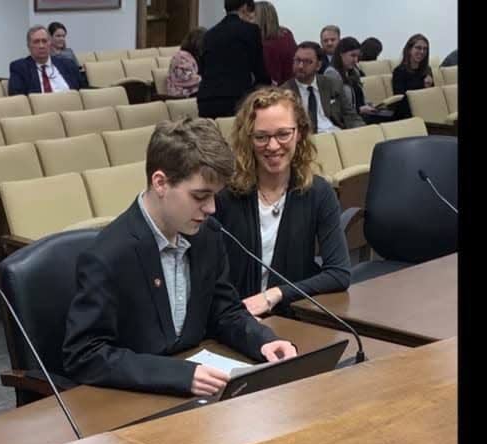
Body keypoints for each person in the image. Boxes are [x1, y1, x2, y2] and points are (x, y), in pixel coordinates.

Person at [63, 118, 298, 397]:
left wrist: (263, 341)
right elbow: (85, 355)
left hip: (201, 395)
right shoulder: (108, 255)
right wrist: (179, 376)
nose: (211, 208)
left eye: (214, 196)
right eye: (200, 196)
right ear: (160, 183)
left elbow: (225, 311)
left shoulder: (207, 234)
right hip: (132, 402)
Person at [215, 87, 351, 317]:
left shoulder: (318, 192)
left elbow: (339, 273)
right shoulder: (224, 195)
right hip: (233, 319)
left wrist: (276, 294)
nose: (273, 146)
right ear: (247, 139)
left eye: (283, 134)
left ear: (299, 133)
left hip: (293, 318)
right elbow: (208, 277)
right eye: (261, 137)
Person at [196, 0, 270, 118]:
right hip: (236, 99)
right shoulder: (251, 30)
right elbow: (259, 70)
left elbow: (202, 69)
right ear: (245, 7)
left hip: (207, 99)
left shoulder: (209, 34)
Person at [281, 42, 364, 132]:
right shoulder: (283, 93)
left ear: (318, 65)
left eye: (307, 62)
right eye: (297, 60)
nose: (300, 66)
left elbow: (350, 115)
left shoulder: (332, 84)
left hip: (336, 134)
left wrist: (363, 132)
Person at [8, 25, 81, 96]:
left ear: (50, 44)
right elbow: (17, 97)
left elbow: (83, 90)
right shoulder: (20, 68)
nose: (41, 46)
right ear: (29, 46)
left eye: (44, 41)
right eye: (36, 42)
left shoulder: (68, 64)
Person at [325, 37, 375, 117]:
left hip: (361, 115)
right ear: (341, 54)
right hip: (348, 120)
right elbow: (335, 108)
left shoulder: (354, 71)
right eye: (352, 55)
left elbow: (360, 97)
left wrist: (368, 104)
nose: (356, 60)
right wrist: (359, 110)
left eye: (357, 56)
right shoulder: (331, 73)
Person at [391, 34, 434, 120]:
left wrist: (428, 88)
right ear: (409, 50)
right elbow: (400, 101)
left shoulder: (427, 70)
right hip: (406, 116)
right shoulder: (399, 71)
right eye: (418, 48)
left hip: (425, 112)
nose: (422, 52)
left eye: (425, 49)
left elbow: (432, 97)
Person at [253, 1, 296, 85]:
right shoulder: (286, 33)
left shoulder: (267, 46)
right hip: (294, 86)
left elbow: (273, 80)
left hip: (280, 91)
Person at [163, 27, 205, 98]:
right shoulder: (181, 57)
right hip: (181, 95)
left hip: (196, 93)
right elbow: (187, 78)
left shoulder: (199, 56)